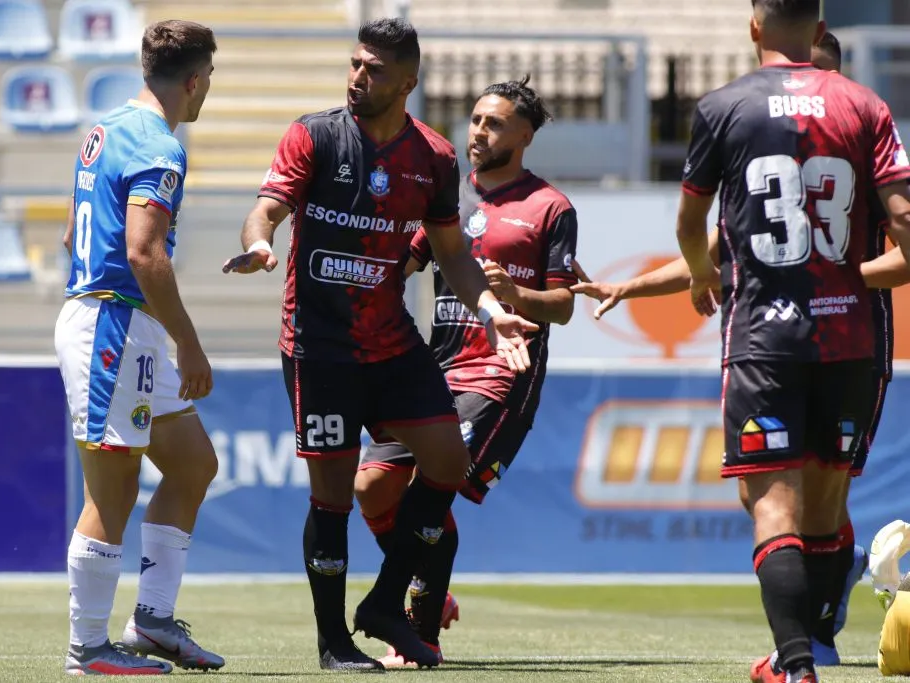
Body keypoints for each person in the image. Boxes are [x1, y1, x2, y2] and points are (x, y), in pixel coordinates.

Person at [572, 30, 910, 668]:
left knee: (810, 498)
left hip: (843, 334)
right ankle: (807, 641)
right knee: (785, 498)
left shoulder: (838, 122)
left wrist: (830, 277)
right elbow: (725, 257)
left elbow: (709, 241)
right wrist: (631, 285)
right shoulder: (845, 120)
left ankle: (812, 641)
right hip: (823, 334)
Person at [222, 17, 539, 672]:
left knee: (448, 461)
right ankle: (332, 640)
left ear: (407, 81)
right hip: (321, 347)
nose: (357, 77)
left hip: (392, 344)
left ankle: (386, 603)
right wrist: (260, 238)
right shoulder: (314, 135)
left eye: (373, 69)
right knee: (335, 495)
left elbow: (452, 251)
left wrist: (489, 309)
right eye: (355, 64)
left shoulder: (434, 158)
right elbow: (270, 204)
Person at [673, 0, 910, 680]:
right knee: (827, 502)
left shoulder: (723, 106)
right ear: (818, 28)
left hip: (762, 337)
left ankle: (797, 661)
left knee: (771, 503)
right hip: (848, 338)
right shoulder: (865, 105)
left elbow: (691, 223)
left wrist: (699, 275)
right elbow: (906, 226)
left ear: (754, 27)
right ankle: (811, 643)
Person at [354, 75, 579, 667]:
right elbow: (401, 265)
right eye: (476, 120)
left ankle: (420, 634)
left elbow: (565, 306)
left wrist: (516, 296)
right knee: (370, 487)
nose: (479, 131)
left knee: (435, 487)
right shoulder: (448, 200)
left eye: (495, 122)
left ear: (525, 135)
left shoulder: (550, 207)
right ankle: (432, 582)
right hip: (434, 369)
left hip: (499, 375)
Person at [55, 20, 224, 676]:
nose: (208, 88)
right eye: (208, 77)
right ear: (192, 80)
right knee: (114, 491)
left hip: (125, 325)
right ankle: (88, 647)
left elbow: (75, 230)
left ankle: (151, 619)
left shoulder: (105, 128)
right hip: (114, 327)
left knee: (193, 464)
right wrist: (190, 343)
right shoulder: (161, 146)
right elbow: (144, 251)